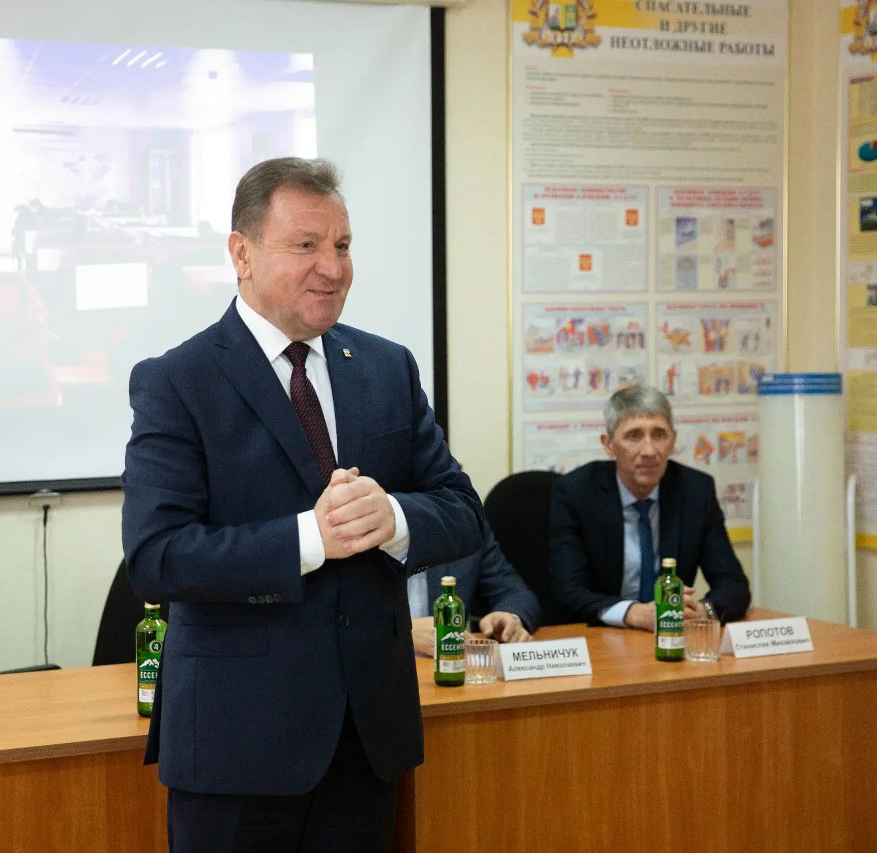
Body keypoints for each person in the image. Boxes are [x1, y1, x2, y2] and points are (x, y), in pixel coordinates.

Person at [121, 157, 485, 852]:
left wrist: (394, 520)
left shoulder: (387, 367)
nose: (333, 268)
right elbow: (157, 557)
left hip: (366, 742)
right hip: (237, 745)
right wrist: (310, 538)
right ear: (242, 253)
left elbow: (462, 509)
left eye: (343, 245)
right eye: (306, 245)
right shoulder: (178, 380)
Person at [549, 385, 751, 629]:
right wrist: (631, 613)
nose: (649, 451)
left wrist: (704, 611)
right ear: (609, 444)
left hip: (672, 636)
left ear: (672, 440)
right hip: (604, 635)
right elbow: (567, 592)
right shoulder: (576, 492)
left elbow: (733, 584)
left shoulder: (695, 490)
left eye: (659, 435)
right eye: (633, 436)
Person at [408, 525, 539, 656]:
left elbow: (515, 594)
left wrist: (508, 619)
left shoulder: (463, 527)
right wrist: (405, 632)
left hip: (446, 664)